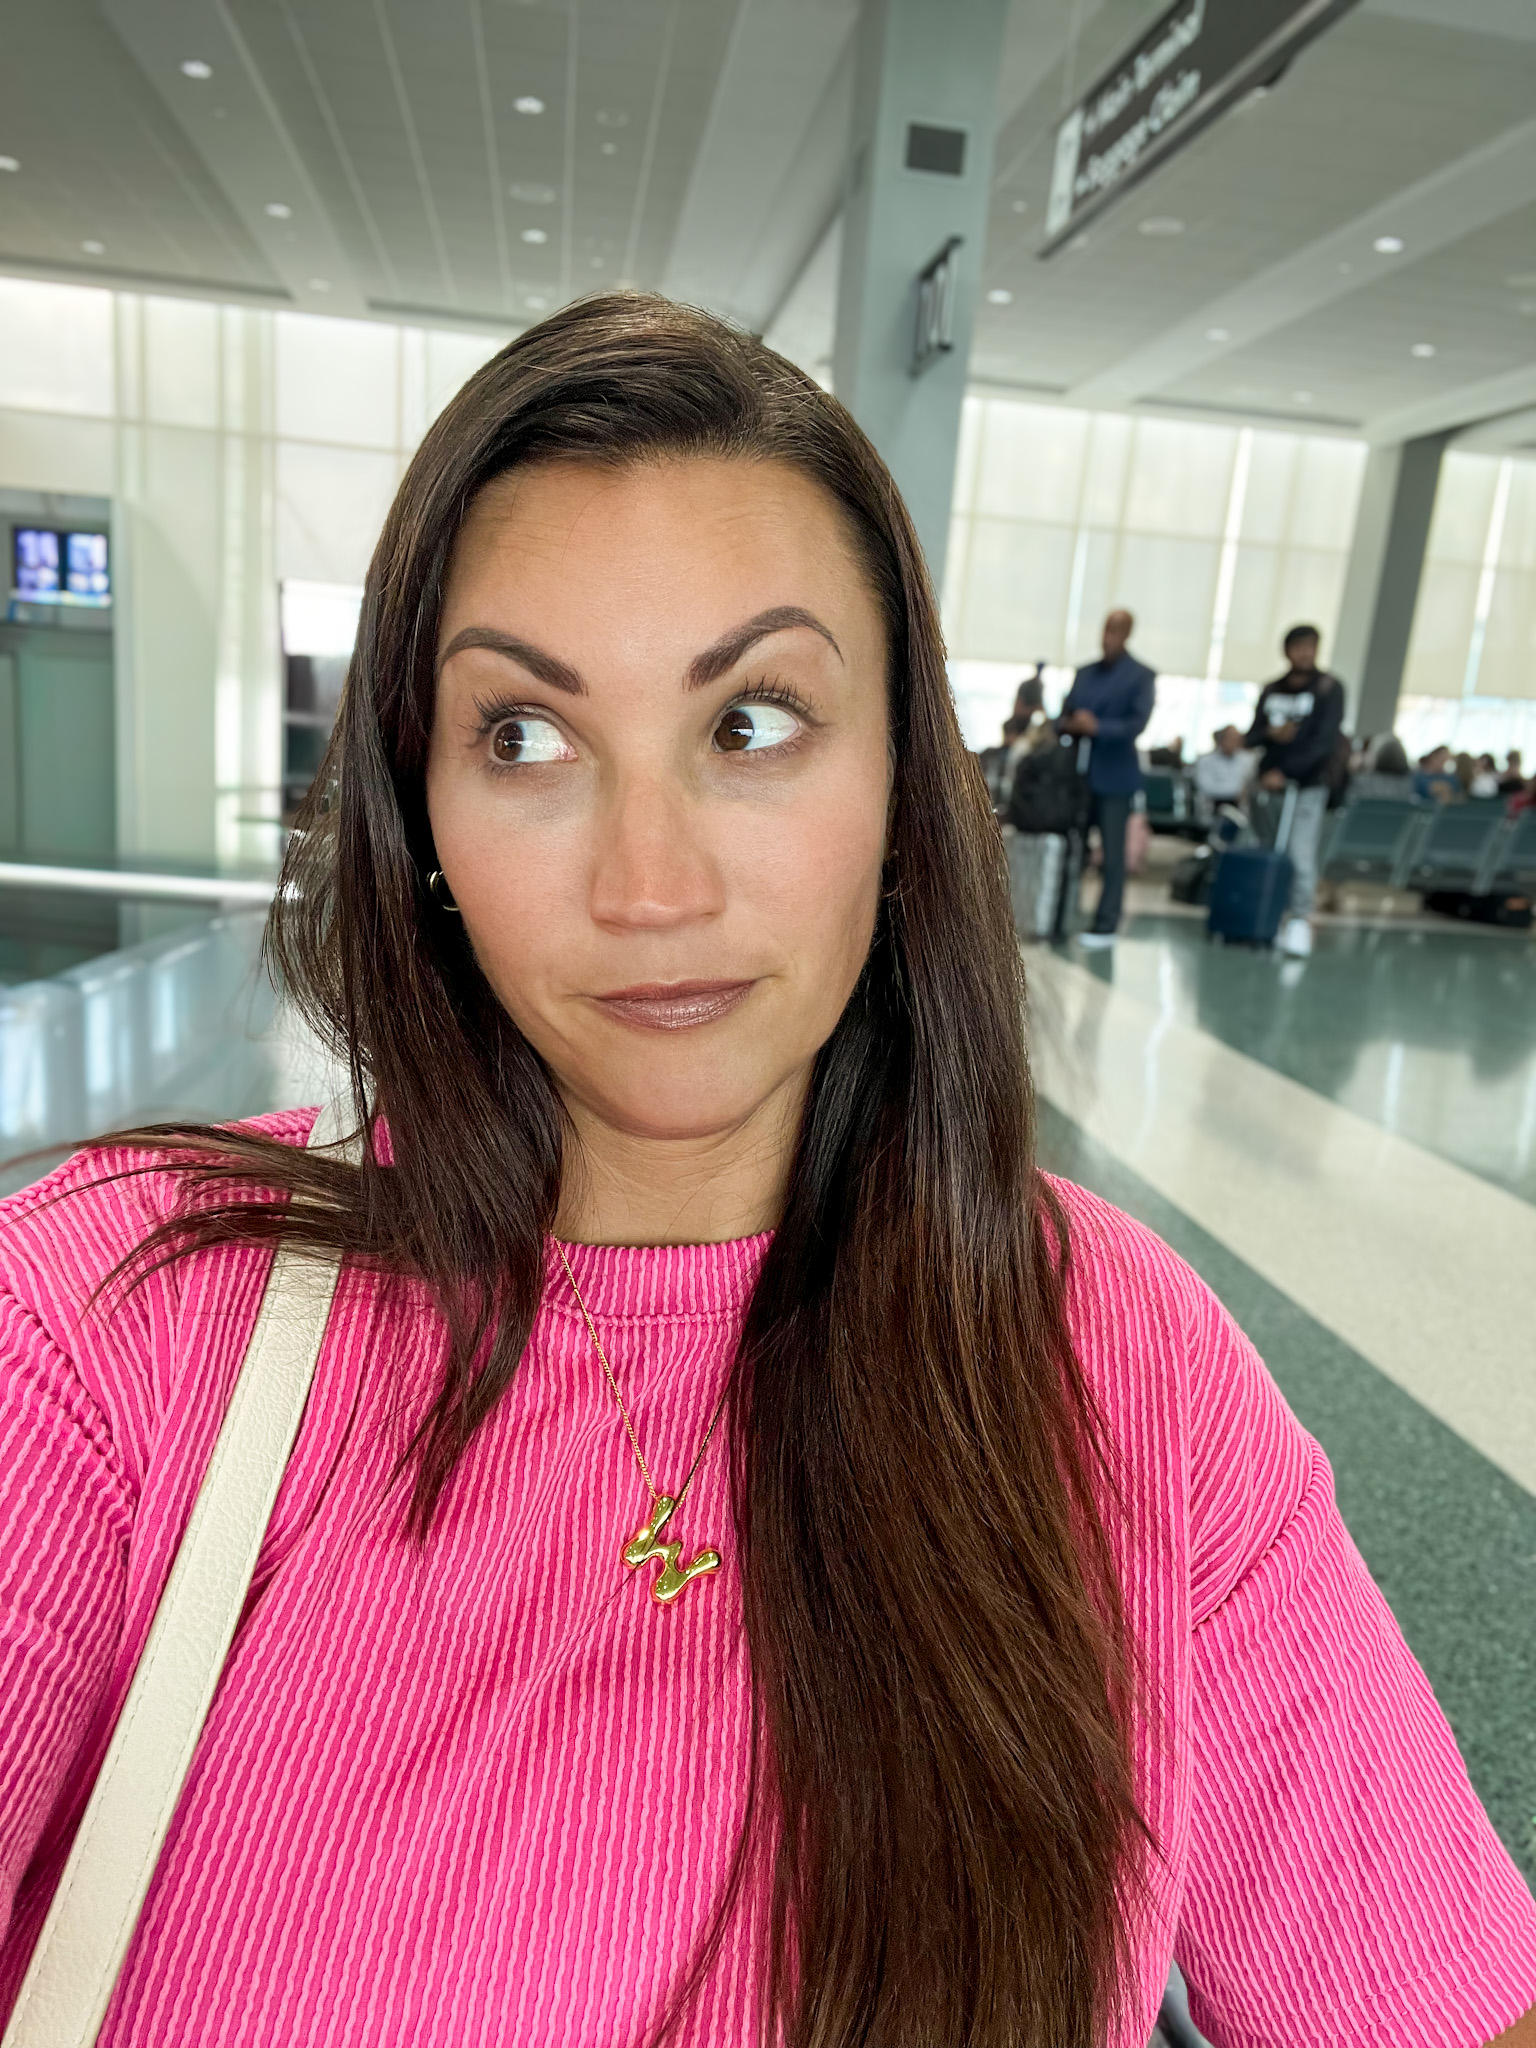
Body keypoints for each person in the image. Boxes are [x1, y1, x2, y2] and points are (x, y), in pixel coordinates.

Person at [2, 298, 1534, 2048]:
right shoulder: (104, 1326)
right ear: (415, 818)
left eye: (750, 723)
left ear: (901, 790)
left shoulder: (1120, 1360)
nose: (650, 886)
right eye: (525, 737)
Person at [1243, 624, 1345, 959]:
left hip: (1306, 787)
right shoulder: (1272, 689)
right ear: (1286, 650)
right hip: (1268, 789)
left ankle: (1300, 919)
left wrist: (1287, 772)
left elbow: (1324, 742)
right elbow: (1254, 734)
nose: (1305, 653)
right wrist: (1270, 736)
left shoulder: (1329, 689)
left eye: (1310, 647)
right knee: (1267, 849)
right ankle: (1268, 912)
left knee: (1300, 853)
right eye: (1298, 647)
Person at [1058, 608, 1156, 948]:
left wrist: (1097, 727)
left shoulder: (1141, 676)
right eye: (1105, 630)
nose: (1107, 638)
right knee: (1073, 850)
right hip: (1078, 778)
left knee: (1113, 856)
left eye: (1115, 631)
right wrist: (1073, 723)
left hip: (1115, 779)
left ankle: (1106, 925)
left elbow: (1136, 725)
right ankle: (1061, 917)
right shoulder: (1085, 673)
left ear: (1127, 634)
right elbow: (1063, 717)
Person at [1191, 724, 1250, 813]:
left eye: (1236, 739)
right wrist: (1236, 791)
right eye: (1230, 738)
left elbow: (1246, 785)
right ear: (1221, 740)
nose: (1233, 743)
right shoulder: (1205, 761)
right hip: (1211, 809)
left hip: (1239, 810)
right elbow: (1207, 788)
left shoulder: (1245, 760)